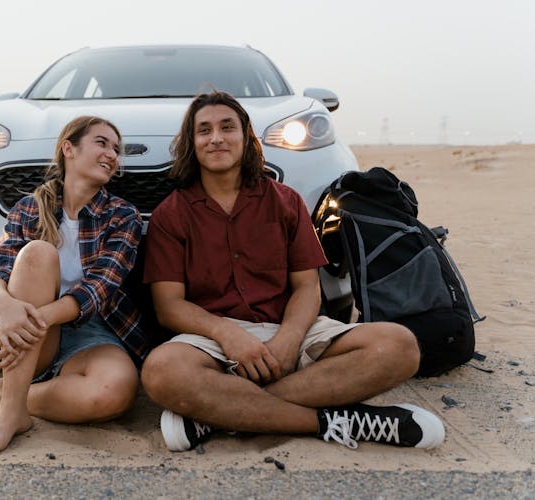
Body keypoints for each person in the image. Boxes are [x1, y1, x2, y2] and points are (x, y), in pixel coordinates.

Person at [141, 91, 445, 452]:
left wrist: (287, 338)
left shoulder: (285, 201)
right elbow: (169, 305)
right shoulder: (171, 213)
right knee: (162, 372)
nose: (217, 138)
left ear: (245, 136)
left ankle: (219, 413)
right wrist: (227, 333)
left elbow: (307, 288)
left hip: (290, 327)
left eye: (227, 127)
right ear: (192, 143)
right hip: (211, 341)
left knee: (399, 346)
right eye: (204, 130)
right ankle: (335, 422)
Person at [0, 115, 151, 458]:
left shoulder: (123, 215)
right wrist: (2, 306)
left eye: (116, 149)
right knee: (37, 254)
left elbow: (99, 287)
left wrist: (33, 320)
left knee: (114, 391)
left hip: (91, 328)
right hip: (31, 328)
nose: (112, 154)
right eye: (102, 143)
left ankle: (0, 396)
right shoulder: (28, 208)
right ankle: (11, 414)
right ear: (68, 149)